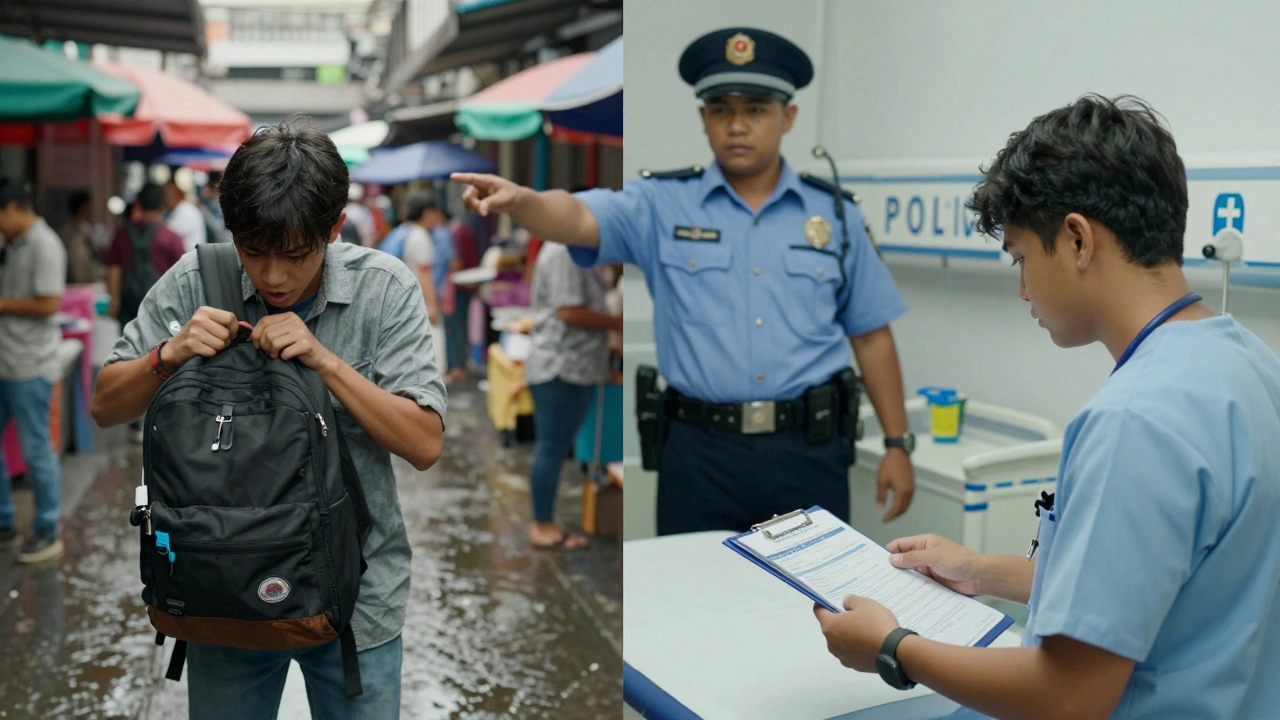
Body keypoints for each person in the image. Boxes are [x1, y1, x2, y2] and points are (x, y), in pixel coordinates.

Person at [813, 96, 1280, 720]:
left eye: (1022, 258)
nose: (1023, 288)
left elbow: (1068, 695)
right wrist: (982, 572)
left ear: (1078, 239)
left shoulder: (1133, 421)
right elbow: (1169, 586)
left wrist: (893, 647)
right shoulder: (1250, 364)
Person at [453, 27, 916, 536]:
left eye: (756, 109)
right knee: (693, 604)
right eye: (721, 109)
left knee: (809, 611)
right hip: (699, 455)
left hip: (806, 450)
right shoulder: (660, 205)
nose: (737, 125)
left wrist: (897, 444)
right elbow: (577, 217)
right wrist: (524, 201)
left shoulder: (834, 215)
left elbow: (871, 336)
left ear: (788, 117)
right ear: (703, 118)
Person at [90, 119, 446, 719]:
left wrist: (326, 363)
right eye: (254, 252)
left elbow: (425, 442)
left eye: (296, 254)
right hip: (223, 589)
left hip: (357, 598)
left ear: (334, 228)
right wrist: (168, 354)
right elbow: (105, 406)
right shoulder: (196, 280)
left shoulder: (384, 290)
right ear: (232, 230)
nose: (274, 276)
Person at [524, 243, 622, 549]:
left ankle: (544, 521)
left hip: (574, 365)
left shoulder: (569, 250)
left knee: (553, 447)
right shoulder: (563, 252)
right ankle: (542, 525)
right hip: (562, 366)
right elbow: (569, 311)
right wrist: (618, 323)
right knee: (551, 448)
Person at [0, 177, 68, 563]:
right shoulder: (10, 243)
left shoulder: (45, 245)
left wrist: (4, 305)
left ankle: (46, 528)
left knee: (36, 448)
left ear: (12, 208)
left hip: (30, 364)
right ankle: (5, 521)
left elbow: (49, 304)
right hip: (5, 359)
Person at [102, 183, 186, 442]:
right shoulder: (170, 236)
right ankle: (159, 414)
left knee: (129, 358)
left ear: (138, 205)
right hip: (163, 310)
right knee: (161, 359)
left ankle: (135, 422)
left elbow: (113, 270)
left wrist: (114, 301)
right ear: (162, 206)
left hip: (128, 305)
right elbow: (182, 278)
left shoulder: (122, 234)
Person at [399, 193, 447, 376]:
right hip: (422, 302)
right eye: (434, 213)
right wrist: (432, 306)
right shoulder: (420, 237)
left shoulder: (412, 233)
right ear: (426, 213)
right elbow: (424, 274)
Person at [446, 213, 480, 381]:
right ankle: (457, 366)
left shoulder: (453, 232)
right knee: (458, 328)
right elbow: (457, 262)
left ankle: (456, 365)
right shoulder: (458, 232)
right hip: (458, 288)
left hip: (458, 287)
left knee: (455, 329)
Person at [57, 190, 104, 284]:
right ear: (83, 207)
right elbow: (77, 265)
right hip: (76, 283)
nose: (92, 209)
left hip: (88, 282)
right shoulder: (71, 232)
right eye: (90, 206)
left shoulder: (88, 229)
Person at [163, 179, 207, 254]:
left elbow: (166, 236)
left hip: (191, 260)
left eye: (168, 195)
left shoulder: (186, 211)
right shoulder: (178, 210)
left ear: (177, 194)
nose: (164, 200)